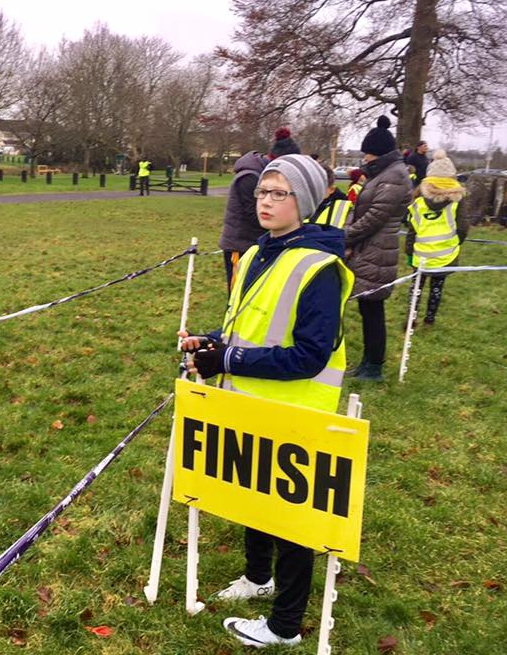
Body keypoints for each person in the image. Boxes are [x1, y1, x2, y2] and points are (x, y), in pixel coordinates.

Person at [178, 154, 353, 649]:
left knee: (291, 519)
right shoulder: (255, 254)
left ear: (307, 203)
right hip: (248, 402)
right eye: (262, 192)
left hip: (297, 410)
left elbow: (310, 355)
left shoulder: (321, 267)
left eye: (280, 193)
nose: (267, 201)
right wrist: (209, 341)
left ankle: (284, 625)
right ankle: (258, 577)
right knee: (251, 500)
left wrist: (226, 359)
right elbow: (244, 327)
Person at [344, 116, 411, 382]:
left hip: (378, 251)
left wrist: (345, 237)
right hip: (369, 250)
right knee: (367, 308)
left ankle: (374, 367)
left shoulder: (394, 176)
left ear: (379, 153)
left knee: (373, 309)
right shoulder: (384, 174)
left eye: (368, 154)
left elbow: (374, 217)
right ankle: (367, 363)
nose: (365, 159)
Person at [404, 150, 468, 326]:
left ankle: (412, 317)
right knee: (437, 287)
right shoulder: (457, 200)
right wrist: (456, 243)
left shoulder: (418, 199)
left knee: (416, 286)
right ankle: (430, 318)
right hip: (445, 253)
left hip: (421, 253)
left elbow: (412, 229)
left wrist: (409, 252)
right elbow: (463, 227)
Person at [218, 151, 267, 291]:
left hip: (250, 242)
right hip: (239, 244)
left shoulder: (258, 176)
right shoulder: (249, 178)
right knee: (237, 291)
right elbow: (253, 213)